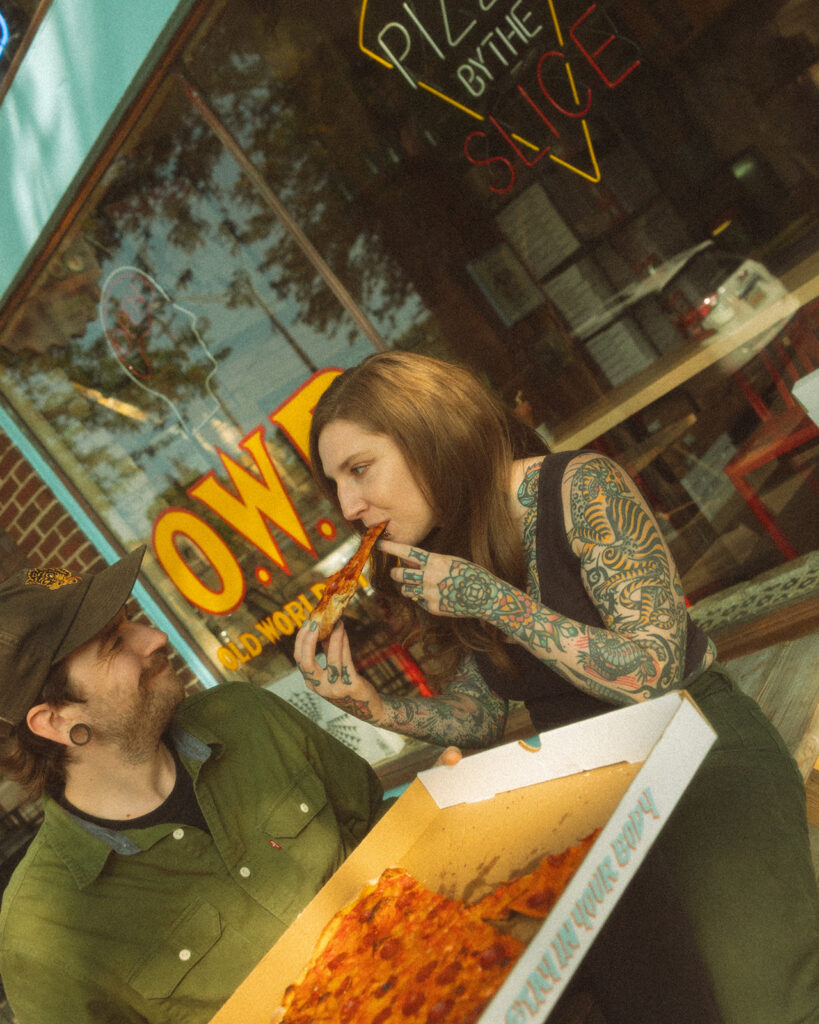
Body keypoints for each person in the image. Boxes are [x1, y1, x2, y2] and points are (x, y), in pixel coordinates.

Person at [294, 350, 819, 1024]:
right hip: (591, 798)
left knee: (767, 1002)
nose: (347, 504)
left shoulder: (576, 486)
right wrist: (374, 705)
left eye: (358, 469)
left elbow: (652, 668)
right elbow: (482, 715)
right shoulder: (442, 552)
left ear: (428, 432)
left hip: (694, 750)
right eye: (335, 484)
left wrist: (491, 599)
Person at [0, 547, 388, 1023]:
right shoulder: (42, 932)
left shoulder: (246, 715)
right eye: (113, 643)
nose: (156, 637)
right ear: (57, 721)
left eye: (131, 622)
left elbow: (386, 830)